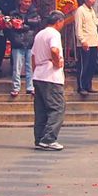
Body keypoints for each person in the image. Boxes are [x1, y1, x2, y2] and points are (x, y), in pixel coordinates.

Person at [32, 11, 67, 151]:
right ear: (58, 21)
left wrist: (34, 72)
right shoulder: (54, 34)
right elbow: (54, 49)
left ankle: (39, 138)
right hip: (50, 76)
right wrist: (57, 62)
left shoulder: (40, 34)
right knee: (57, 108)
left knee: (41, 110)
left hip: (39, 74)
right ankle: (48, 138)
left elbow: (33, 56)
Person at [6, 0, 42, 98]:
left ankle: (30, 87)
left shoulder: (34, 13)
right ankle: (16, 88)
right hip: (18, 43)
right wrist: (25, 26)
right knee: (17, 68)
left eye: (29, 2)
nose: (27, 4)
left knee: (30, 67)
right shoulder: (14, 13)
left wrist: (22, 24)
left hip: (30, 43)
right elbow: (12, 26)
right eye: (25, 1)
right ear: (20, 1)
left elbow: (37, 22)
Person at [72, 0, 98, 96]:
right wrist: (82, 40)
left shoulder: (92, 10)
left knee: (92, 65)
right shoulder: (80, 11)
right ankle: (81, 86)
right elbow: (78, 28)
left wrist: (97, 41)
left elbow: (94, 26)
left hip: (93, 42)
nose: (93, 1)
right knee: (84, 65)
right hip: (85, 42)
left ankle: (88, 85)